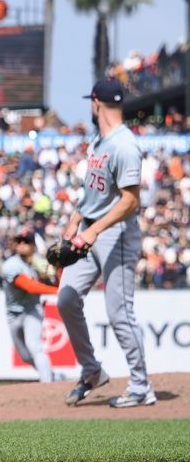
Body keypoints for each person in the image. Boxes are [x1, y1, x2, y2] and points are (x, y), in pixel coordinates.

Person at [58, 79, 155, 408]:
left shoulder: (124, 145)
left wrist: (93, 229)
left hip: (116, 233)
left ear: (97, 103)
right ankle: (92, 371)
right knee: (67, 299)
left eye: (91, 102)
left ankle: (142, 387)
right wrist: (77, 216)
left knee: (119, 313)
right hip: (90, 228)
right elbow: (94, 190)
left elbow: (130, 201)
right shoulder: (99, 140)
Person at [0, 229, 58, 382]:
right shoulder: (10, 265)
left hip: (32, 310)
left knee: (35, 347)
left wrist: (56, 269)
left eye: (26, 241)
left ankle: (47, 383)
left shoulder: (39, 263)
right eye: (19, 241)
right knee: (25, 356)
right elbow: (30, 287)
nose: (21, 244)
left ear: (33, 246)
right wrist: (58, 291)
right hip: (13, 314)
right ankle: (52, 376)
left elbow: (56, 279)